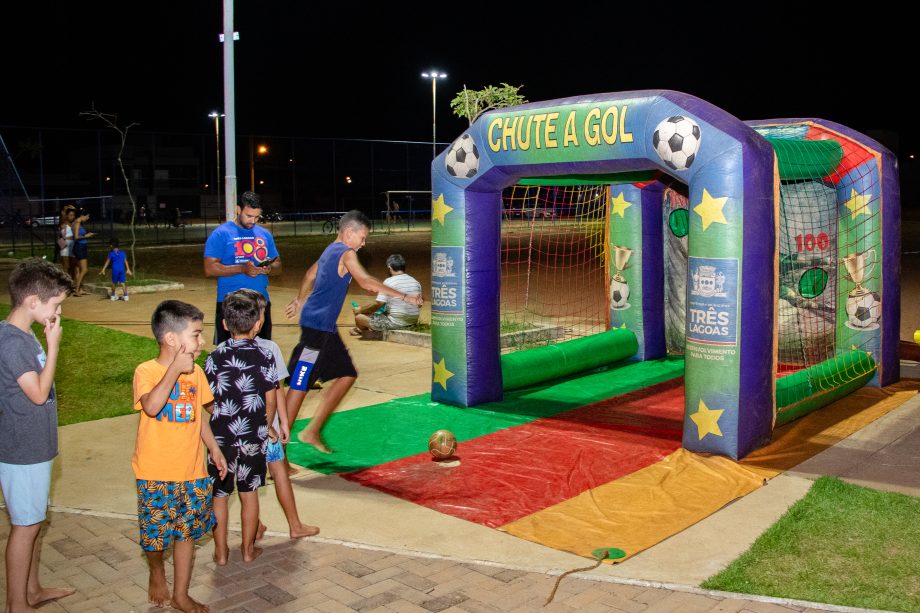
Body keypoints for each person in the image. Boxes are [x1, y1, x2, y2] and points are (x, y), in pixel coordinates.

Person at [284, 210, 423, 454]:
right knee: (299, 385)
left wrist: (299, 299)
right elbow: (367, 283)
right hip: (316, 331)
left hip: (324, 328)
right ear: (349, 232)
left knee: (347, 374)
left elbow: (309, 274)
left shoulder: (330, 249)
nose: (363, 243)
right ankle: (277, 451)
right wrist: (405, 297)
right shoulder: (346, 253)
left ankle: (312, 431)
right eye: (362, 237)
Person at [132, 300, 227, 611]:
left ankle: (181, 594)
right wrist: (174, 370)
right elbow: (151, 406)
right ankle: (157, 570)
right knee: (155, 538)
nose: (202, 342)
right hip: (155, 471)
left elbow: (198, 414)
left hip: (192, 471)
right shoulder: (146, 371)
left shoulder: (196, 373)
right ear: (171, 338)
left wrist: (213, 448)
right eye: (196, 334)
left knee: (186, 533)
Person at [0, 258, 75, 611]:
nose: (58, 312)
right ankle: (18, 604)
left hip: (33, 445)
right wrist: (55, 345)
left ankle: (32, 591)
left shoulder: (22, 333)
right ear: (32, 301)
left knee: (32, 522)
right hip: (23, 449)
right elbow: (39, 394)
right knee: (25, 527)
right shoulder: (14, 343)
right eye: (55, 304)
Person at [233, 289, 320, 539]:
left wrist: (282, 420)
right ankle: (294, 525)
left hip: (240, 429)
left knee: (244, 478)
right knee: (278, 472)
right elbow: (278, 388)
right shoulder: (269, 348)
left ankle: (258, 524)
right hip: (266, 428)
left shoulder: (224, 351)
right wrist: (281, 422)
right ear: (259, 320)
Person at [204, 291, 277, 564]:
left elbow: (207, 400)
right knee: (249, 494)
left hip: (220, 438)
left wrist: (220, 413)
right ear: (258, 323)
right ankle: (247, 550)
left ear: (224, 324)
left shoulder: (214, 358)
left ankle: (220, 552)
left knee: (220, 495)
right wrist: (266, 424)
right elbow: (270, 398)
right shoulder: (264, 356)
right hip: (253, 437)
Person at [203, 190, 281, 345]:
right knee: (228, 353)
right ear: (238, 210)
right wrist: (242, 269)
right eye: (249, 216)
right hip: (231, 304)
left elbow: (278, 265)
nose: (253, 220)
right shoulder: (221, 234)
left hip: (260, 303)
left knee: (262, 351)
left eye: (257, 217)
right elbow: (209, 268)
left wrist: (269, 268)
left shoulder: (264, 234)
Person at [351, 253, 422, 336]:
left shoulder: (389, 282)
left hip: (396, 323)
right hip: (412, 321)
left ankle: (369, 333)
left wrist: (360, 310)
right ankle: (363, 329)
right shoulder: (415, 282)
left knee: (359, 317)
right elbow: (419, 305)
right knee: (381, 313)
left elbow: (378, 304)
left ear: (390, 267)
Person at [99, 237, 133, 301]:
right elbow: (125, 261)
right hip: (122, 269)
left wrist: (103, 269)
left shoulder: (111, 254)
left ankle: (113, 295)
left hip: (115, 270)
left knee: (114, 283)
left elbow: (107, 262)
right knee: (123, 283)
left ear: (111, 245)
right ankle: (126, 296)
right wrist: (128, 269)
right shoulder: (123, 252)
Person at [70, 210, 95, 297]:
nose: (87, 219)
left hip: (78, 247)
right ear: (83, 215)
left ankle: (79, 289)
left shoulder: (76, 222)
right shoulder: (77, 222)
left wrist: (86, 235)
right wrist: (86, 236)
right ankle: (77, 290)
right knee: (84, 270)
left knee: (78, 270)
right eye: (87, 216)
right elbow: (76, 237)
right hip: (80, 247)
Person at [57, 205, 76, 273]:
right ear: (67, 216)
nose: (72, 217)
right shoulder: (63, 223)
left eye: (73, 215)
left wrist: (74, 209)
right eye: (71, 215)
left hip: (72, 244)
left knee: (73, 264)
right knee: (66, 265)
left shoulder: (73, 223)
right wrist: (66, 209)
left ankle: (70, 280)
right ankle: (65, 281)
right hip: (65, 245)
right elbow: (62, 215)